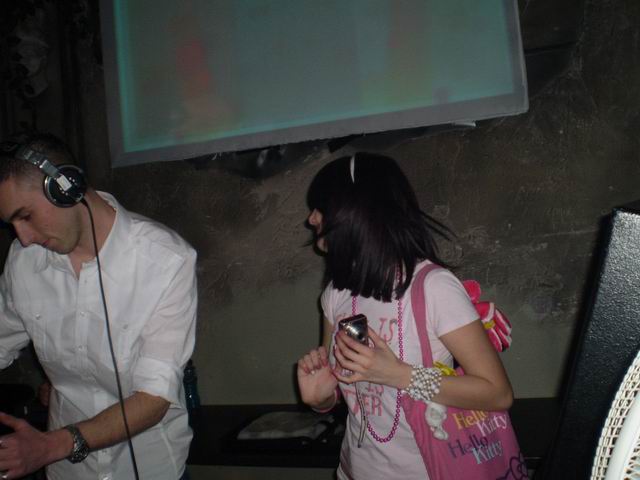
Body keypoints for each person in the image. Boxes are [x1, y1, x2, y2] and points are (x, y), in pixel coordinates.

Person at [297, 153, 513, 479]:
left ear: (357, 209)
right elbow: (351, 394)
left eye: (320, 206)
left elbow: (498, 393)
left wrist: (400, 375)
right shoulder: (336, 294)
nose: (311, 218)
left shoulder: (434, 288)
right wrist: (322, 399)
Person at [0, 133, 197, 480]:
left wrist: (53, 446)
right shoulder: (22, 263)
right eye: (12, 224)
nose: (23, 238)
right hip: (68, 473)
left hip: (149, 468)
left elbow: (153, 397)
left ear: (64, 186)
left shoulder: (167, 261)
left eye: (25, 216)